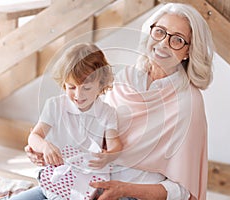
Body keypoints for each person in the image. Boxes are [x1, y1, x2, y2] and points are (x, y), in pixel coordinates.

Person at [24, 2, 214, 200]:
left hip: (133, 194)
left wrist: (123, 189)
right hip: (83, 181)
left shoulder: (189, 103)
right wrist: (43, 148)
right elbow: (94, 132)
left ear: (188, 52)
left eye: (178, 39)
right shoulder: (126, 78)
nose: (164, 43)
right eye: (160, 32)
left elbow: (183, 191)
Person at [10, 43, 123, 200]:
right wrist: (45, 146)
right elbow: (34, 137)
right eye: (71, 87)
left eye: (87, 88)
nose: (78, 95)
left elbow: (115, 144)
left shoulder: (107, 113)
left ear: (101, 84)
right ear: (64, 83)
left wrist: (108, 156)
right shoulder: (55, 105)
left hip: (85, 185)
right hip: (54, 182)